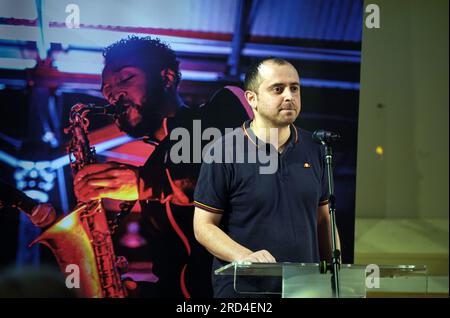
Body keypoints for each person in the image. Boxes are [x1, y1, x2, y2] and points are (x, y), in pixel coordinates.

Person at [73, 36, 250, 298]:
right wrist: (140, 293)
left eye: (125, 79)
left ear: (167, 78)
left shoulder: (226, 104)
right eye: (107, 90)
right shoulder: (152, 169)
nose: (112, 94)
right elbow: (178, 272)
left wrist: (147, 184)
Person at [193, 57, 341, 297]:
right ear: (252, 99)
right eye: (277, 89)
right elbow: (203, 227)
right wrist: (244, 256)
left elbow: (325, 221)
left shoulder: (317, 148)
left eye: (295, 88)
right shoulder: (223, 151)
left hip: (304, 290)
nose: (289, 96)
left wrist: (337, 280)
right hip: (244, 293)